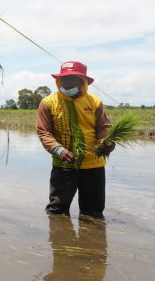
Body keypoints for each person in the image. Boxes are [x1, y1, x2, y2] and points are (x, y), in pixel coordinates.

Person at [36, 61, 114, 218]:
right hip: (64, 165)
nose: (68, 82)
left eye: (73, 79)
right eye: (64, 79)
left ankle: (92, 240)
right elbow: (43, 131)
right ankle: (60, 240)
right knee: (57, 212)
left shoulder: (95, 102)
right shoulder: (48, 103)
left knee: (93, 214)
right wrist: (59, 150)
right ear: (59, 80)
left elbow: (103, 128)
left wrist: (107, 143)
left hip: (94, 165)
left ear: (82, 81)